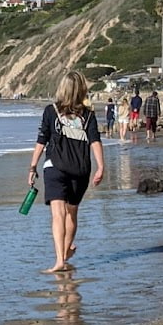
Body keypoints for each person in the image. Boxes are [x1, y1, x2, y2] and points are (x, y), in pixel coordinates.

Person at [27, 71, 104, 273]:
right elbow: (95, 140)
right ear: (82, 90)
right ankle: (65, 253)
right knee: (72, 212)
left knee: (58, 215)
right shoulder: (88, 116)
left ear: (62, 88)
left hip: (55, 167)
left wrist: (33, 166)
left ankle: (60, 259)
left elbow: (42, 140)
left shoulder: (50, 111)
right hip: (80, 169)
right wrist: (101, 166)